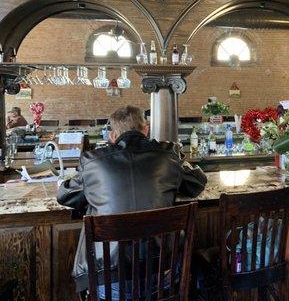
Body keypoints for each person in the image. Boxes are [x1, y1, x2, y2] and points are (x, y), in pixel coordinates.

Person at [57, 105, 207, 296]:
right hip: (164, 269)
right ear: (146, 129)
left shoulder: (92, 161)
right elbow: (197, 183)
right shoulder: (168, 154)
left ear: (112, 135)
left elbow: (64, 195)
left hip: (110, 276)